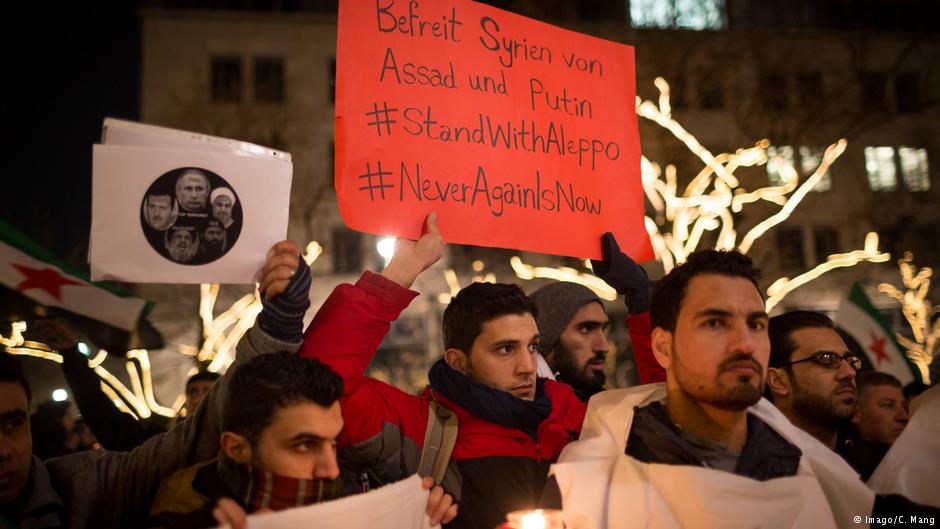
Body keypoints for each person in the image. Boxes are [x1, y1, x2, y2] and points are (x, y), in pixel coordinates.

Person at [545, 249, 935, 529]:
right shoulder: (585, 491)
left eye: (756, 324)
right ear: (663, 346)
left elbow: (869, 514)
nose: (744, 343)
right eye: (715, 323)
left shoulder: (802, 461)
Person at [300, 214, 586, 529]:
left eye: (532, 346)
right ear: (457, 361)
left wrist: (642, 306)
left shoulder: (570, 414)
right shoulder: (422, 428)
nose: (527, 367)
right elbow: (318, 386)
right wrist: (400, 272)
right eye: (505, 349)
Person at [0, 240, 306, 529]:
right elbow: (104, 417)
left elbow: (209, 425)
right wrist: (72, 358)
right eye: (194, 392)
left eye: (13, 424)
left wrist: (279, 323)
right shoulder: (147, 434)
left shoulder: (82, 487)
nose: (3, 450)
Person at [147, 352, 457, 529]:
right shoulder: (181, 516)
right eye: (305, 445)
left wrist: (417, 521)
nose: (331, 470)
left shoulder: (353, 506)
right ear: (237, 448)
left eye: (333, 444)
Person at [765, 310, 860, 450]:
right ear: (778, 381)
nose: (850, 372)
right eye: (827, 359)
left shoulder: (877, 463)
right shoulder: (748, 466)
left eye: (850, 360)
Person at [529, 282, 611, 400]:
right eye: (586, 329)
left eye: (604, 329)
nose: (604, 346)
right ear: (547, 335)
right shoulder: (523, 411)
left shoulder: (596, 404)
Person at [841, 371, 909, 480]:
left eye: (904, 407)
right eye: (888, 405)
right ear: (855, 412)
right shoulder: (842, 468)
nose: (904, 417)